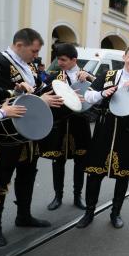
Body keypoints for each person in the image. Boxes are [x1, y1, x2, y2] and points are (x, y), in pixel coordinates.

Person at [76, 46, 129, 229]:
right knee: (95, 173)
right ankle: (89, 212)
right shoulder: (109, 76)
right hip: (105, 127)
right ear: (124, 57)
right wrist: (102, 93)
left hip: (128, 131)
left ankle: (115, 213)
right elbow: (88, 96)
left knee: (123, 175)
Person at [0, 28, 64, 247]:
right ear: (19, 45)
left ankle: (23, 215)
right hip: (6, 134)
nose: (36, 56)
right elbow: (0, 94)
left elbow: (38, 87)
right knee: (1, 180)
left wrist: (58, 93)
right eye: (33, 51)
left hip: (27, 132)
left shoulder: (29, 64)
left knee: (28, 174)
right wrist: (32, 96)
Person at [38, 43, 95, 211]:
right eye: (58, 59)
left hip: (80, 126)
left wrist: (91, 78)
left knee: (80, 162)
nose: (60, 62)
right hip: (60, 126)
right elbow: (46, 98)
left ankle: (78, 196)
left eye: (63, 59)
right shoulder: (53, 77)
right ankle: (58, 196)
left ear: (74, 60)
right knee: (58, 162)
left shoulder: (87, 75)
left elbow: (101, 92)